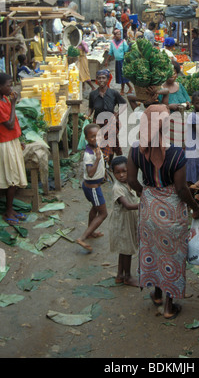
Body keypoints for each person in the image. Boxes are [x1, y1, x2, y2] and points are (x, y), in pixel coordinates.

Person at [127, 104, 199, 320]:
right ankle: (169, 305)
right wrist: (195, 208)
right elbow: (180, 189)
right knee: (173, 254)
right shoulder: (177, 153)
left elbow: (132, 180)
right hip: (172, 210)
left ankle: (157, 294)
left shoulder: (136, 149)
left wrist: (147, 194)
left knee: (153, 251)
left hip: (149, 208)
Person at [0, 73, 27, 225]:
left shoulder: (4, 99)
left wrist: (18, 140)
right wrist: (13, 104)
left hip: (11, 141)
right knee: (11, 177)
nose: (11, 88)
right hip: (4, 143)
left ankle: (10, 209)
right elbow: (9, 124)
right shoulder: (3, 102)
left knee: (14, 176)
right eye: (9, 85)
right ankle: (8, 210)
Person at [76, 123, 107, 252]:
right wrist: (98, 159)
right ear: (87, 139)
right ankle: (82, 238)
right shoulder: (89, 154)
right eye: (92, 136)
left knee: (95, 208)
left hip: (91, 186)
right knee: (103, 213)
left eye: (98, 135)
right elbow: (90, 173)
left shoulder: (96, 147)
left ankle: (90, 232)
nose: (96, 138)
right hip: (93, 188)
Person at [109, 156, 139, 287]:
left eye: (124, 171)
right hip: (122, 223)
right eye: (117, 172)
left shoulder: (130, 182)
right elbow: (127, 205)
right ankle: (128, 277)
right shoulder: (118, 188)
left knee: (124, 248)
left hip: (128, 220)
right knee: (127, 250)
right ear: (113, 173)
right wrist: (144, 204)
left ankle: (120, 275)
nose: (121, 175)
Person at [87, 69, 127, 163]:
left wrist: (117, 113)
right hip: (97, 123)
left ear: (108, 79)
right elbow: (91, 107)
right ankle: (102, 162)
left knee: (110, 143)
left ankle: (109, 162)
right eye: (99, 78)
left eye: (103, 78)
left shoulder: (113, 93)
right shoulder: (93, 94)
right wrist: (88, 115)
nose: (101, 80)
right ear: (96, 80)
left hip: (110, 122)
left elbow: (124, 104)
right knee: (99, 143)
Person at [159, 62, 191, 147]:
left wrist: (188, 104)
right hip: (168, 124)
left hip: (182, 123)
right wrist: (169, 106)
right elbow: (158, 107)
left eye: (174, 73)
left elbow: (188, 99)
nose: (172, 76)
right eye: (169, 73)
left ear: (177, 74)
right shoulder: (160, 89)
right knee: (171, 147)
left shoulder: (180, 86)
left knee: (182, 147)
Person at [104, 29, 133, 95]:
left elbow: (126, 51)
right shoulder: (112, 42)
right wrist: (106, 60)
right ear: (114, 35)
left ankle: (122, 90)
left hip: (122, 61)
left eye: (120, 34)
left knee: (123, 75)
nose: (119, 35)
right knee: (120, 76)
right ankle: (130, 87)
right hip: (117, 61)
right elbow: (110, 52)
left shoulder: (123, 42)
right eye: (117, 34)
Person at [77, 25, 95, 92]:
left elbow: (87, 50)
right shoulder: (75, 43)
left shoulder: (82, 42)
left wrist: (81, 44)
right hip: (78, 60)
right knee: (80, 74)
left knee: (85, 74)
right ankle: (82, 87)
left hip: (83, 59)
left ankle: (92, 87)